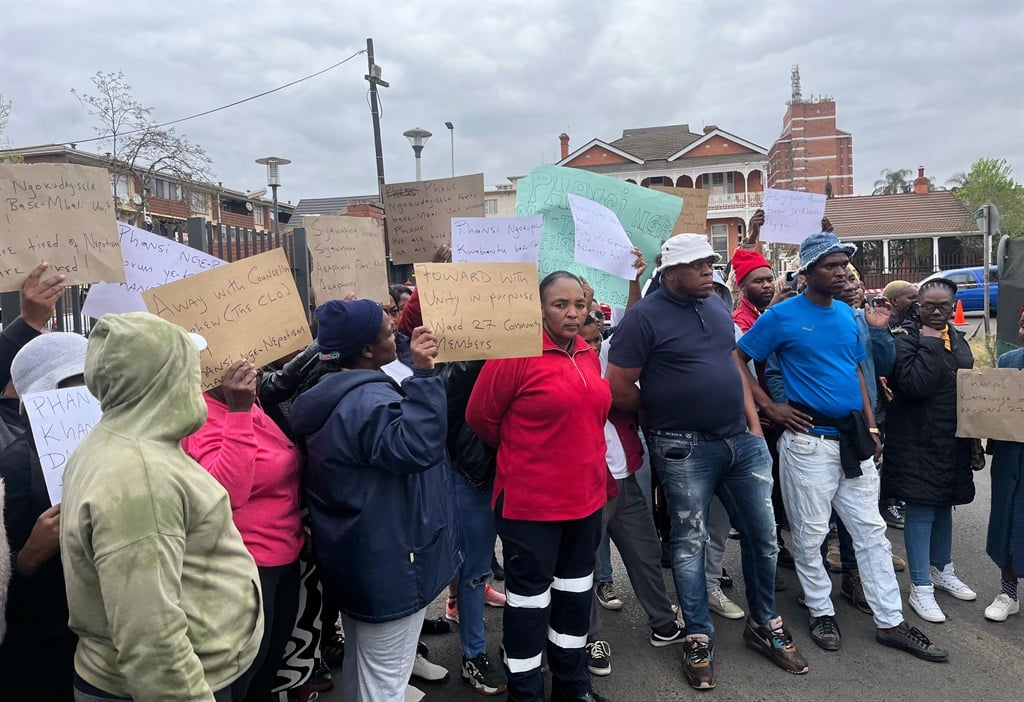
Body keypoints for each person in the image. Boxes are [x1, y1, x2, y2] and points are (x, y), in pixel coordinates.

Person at [607, 235, 807, 691]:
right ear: (670, 271)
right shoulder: (644, 318)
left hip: (740, 440)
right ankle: (697, 634)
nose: (707, 271)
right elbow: (617, 384)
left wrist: (754, 424)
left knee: (763, 538)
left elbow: (732, 364)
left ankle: (765, 623)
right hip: (682, 447)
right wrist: (657, 411)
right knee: (689, 542)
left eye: (710, 263)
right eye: (697, 264)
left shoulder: (715, 305)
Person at [737, 231, 948, 662]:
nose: (840, 272)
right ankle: (820, 610)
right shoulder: (781, 316)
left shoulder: (849, 317)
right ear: (808, 271)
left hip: (853, 440)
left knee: (871, 532)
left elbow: (855, 373)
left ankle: (890, 620)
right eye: (831, 266)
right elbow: (737, 358)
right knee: (811, 533)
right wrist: (769, 408)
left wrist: (871, 429)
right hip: (808, 443)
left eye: (843, 266)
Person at [61, 312, 264, 701]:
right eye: (188, 364)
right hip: (181, 684)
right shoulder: (140, 474)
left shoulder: (118, 439)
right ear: (164, 377)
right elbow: (151, 634)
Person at [289, 299, 461, 702]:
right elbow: (418, 447)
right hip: (390, 562)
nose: (396, 336)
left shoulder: (340, 392)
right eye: (388, 332)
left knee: (367, 668)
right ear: (367, 350)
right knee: (384, 683)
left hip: (364, 555)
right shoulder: (367, 403)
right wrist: (424, 374)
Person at [466, 271, 610, 702]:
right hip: (531, 505)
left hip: (585, 501)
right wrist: (528, 450)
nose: (572, 313)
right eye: (559, 305)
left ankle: (572, 686)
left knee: (574, 597)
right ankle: (526, 693)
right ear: (539, 309)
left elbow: (593, 417)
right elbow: (481, 418)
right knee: (529, 606)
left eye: (579, 305)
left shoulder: (586, 353)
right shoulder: (515, 355)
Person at [182, 360, 305, 701]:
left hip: (283, 556)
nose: (251, 367)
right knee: (242, 676)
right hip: (247, 567)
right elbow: (227, 492)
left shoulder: (247, 400)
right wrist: (239, 413)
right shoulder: (199, 414)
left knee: (267, 668)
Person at [882, 277, 977, 623]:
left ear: (953, 307)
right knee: (921, 507)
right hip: (917, 439)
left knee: (944, 505)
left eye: (944, 307)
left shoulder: (959, 338)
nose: (937, 313)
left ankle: (941, 569)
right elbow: (916, 385)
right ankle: (920, 587)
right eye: (929, 306)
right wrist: (931, 343)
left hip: (951, 437)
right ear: (916, 306)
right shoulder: (905, 339)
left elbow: (966, 379)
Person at [1, 332, 88, 701]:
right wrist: (33, 551)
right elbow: (9, 585)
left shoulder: (113, 447)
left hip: (98, 634)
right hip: (44, 641)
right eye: (79, 381)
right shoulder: (16, 463)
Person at [984, 304, 1024, 621]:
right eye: (1023, 325)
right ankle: (1007, 593)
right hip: (1011, 458)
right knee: (1008, 522)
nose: (1023, 332)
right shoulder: (1008, 362)